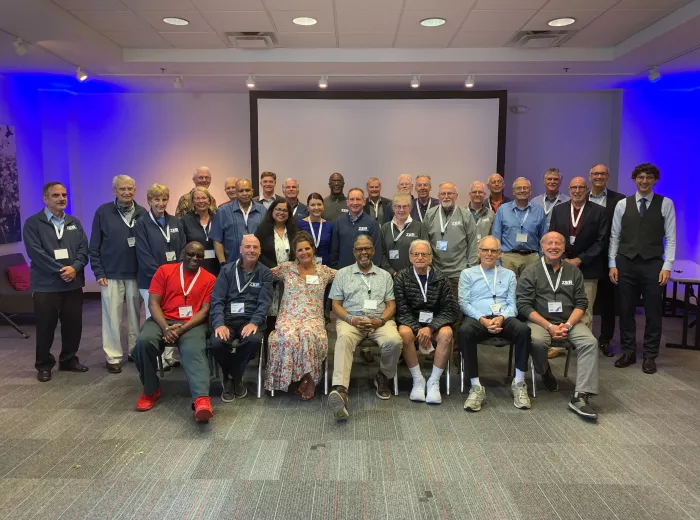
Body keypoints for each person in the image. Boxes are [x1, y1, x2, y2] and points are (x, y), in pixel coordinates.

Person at [517, 232, 600, 420]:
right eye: (549, 243)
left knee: (589, 342)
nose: (553, 246)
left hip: (569, 321)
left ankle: (581, 396)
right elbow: (523, 305)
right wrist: (549, 326)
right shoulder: (531, 271)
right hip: (540, 321)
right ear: (542, 247)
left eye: (558, 243)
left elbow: (581, 303)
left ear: (564, 248)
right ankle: (544, 369)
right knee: (536, 341)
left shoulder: (573, 272)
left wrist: (569, 325)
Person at [132, 242, 217, 423]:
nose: (194, 258)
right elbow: (153, 303)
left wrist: (182, 329)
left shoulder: (210, 278)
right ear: (182, 254)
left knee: (194, 350)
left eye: (199, 256)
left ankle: (201, 400)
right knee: (143, 343)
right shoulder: (164, 271)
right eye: (190, 254)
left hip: (192, 323)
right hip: (163, 320)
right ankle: (151, 389)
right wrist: (165, 328)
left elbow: (204, 310)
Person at [609, 163, 676, 375]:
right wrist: (612, 263)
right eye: (640, 177)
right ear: (634, 179)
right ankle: (628, 352)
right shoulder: (622, 204)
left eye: (648, 177)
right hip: (625, 262)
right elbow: (615, 236)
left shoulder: (665, 204)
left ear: (655, 180)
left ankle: (649, 355)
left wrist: (668, 265)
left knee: (653, 311)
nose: (644, 181)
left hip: (653, 264)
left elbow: (671, 238)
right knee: (626, 310)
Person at [327, 236, 402, 420]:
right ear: (354, 252)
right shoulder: (342, 274)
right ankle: (341, 390)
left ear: (373, 251)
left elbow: (391, 305)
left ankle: (383, 376)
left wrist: (381, 321)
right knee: (343, 339)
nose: (364, 252)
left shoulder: (384, 276)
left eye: (367, 248)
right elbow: (335, 305)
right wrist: (350, 319)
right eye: (360, 249)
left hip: (379, 320)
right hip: (351, 320)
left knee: (394, 341)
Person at [23, 182, 90, 382]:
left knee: (73, 325)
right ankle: (44, 365)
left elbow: (83, 250)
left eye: (64, 195)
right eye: (55, 195)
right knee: (46, 326)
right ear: (45, 199)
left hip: (73, 283)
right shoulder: (33, 223)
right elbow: (36, 253)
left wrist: (75, 268)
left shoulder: (74, 223)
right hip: (46, 285)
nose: (61, 198)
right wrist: (61, 270)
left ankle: (69, 360)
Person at [459, 236, 532, 412]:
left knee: (523, 330)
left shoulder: (509, 275)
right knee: (464, 331)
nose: (489, 254)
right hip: (479, 318)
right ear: (479, 252)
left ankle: (519, 383)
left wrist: (501, 318)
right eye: (485, 250)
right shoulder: (467, 274)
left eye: (493, 251)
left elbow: (512, 304)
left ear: (500, 253)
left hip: (503, 318)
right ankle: (476, 386)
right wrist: (482, 319)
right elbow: (464, 303)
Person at [266, 232, 336, 399]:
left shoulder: (324, 271)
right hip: (288, 317)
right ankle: (299, 377)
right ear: (295, 253)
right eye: (300, 250)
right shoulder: (286, 268)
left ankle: (310, 379)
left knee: (307, 335)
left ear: (313, 249)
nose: (304, 252)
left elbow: (348, 276)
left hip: (313, 318)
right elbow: (263, 274)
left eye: (307, 248)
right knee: (288, 337)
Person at [89, 175, 147, 373]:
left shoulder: (142, 212)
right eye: (122, 189)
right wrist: (98, 271)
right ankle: (113, 356)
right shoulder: (103, 212)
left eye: (130, 188)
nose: (126, 192)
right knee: (112, 317)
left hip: (136, 274)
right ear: (114, 191)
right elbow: (94, 245)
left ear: (135, 190)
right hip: (110, 274)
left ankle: (134, 350)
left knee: (135, 317)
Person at [394, 240, 459, 404]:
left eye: (424, 254)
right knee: (403, 333)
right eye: (416, 254)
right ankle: (418, 380)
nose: (420, 257)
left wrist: (430, 328)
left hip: (435, 323)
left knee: (447, 333)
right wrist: (418, 329)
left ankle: (434, 381)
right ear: (410, 257)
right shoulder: (401, 277)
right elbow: (401, 309)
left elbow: (450, 309)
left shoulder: (441, 278)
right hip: (412, 323)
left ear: (430, 257)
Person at [210, 235, 273, 402]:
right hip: (228, 320)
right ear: (240, 249)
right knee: (216, 342)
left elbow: (264, 302)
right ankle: (234, 376)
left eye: (255, 247)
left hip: (251, 319)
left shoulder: (265, 273)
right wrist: (219, 324)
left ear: (260, 251)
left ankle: (232, 376)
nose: (251, 250)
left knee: (253, 340)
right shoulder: (227, 271)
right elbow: (217, 300)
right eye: (248, 247)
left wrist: (254, 322)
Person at [134, 183, 185, 368]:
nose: (161, 203)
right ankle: (158, 358)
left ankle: (169, 356)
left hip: (175, 279)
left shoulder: (175, 222)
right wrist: (164, 277)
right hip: (151, 280)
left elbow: (182, 250)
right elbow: (144, 255)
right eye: (156, 199)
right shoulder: (141, 224)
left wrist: (176, 274)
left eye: (164, 199)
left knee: (172, 315)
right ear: (149, 201)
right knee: (155, 317)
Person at [549, 177, 607, 331]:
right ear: (569, 190)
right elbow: (552, 237)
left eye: (581, 187)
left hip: (588, 267)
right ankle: (560, 344)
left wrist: (580, 259)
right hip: (562, 266)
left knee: (585, 309)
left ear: (587, 189)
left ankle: (583, 346)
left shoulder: (599, 211)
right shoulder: (558, 210)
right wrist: (563, 259)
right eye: (573, 187)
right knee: (561, 306)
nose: (577, 191)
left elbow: (601, 241)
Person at [588, 163, 625, 357]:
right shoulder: (582, 197)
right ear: (590, 176)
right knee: (584, 300)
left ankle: (605, 339)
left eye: (603, 174)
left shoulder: (619, 200)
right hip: (587, 258)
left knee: (608, 301)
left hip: (609, 257)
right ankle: (583, 338)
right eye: (595, 173)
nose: (599, 177)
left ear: (608, 177)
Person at [423, 181, 478, 297]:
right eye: (443, 194)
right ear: (438, 196)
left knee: (456, 309)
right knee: (437, 307)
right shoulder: (430, 214)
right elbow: (425, 243)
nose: (446, 197)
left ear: (456, 196)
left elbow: (473, 243)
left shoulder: (465, 215)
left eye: (450, 193)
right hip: (435, 273)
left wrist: (470, 270)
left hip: (458, 273)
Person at [254, 199, 300, 329]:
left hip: (290, 279)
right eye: (278, 209)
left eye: (285, 210)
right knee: (271, 311)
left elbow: (298, 251)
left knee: (288, 312)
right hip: (269, 276)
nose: (281, 212)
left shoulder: (294, 230)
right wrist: (275, 270)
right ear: (272, 211)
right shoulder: (263, 229)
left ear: (289, 213)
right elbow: (258, 252)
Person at [493, 177, 547, 277]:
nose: (522, 190)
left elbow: (544, 238)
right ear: (513, 192)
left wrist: (543, 259)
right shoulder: (503, 210)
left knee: (531, 290)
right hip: (508, 258)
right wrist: (496, 260)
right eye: (518, 188)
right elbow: (496, 237)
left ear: (530, 191)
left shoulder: (539, 211)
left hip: (532, 258)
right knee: (508, 290)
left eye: (525, 188)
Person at [211, 178, 265, 266]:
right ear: (236, 192)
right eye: (241, 191)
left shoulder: (262, 210)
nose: (245, 193)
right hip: (231, 264)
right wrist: (223, 263)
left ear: (252, 191)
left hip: (258, 265)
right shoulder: (223, 211)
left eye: (247, 190)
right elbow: (217, 239)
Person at [329, 187, 381, 269]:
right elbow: (334, 250)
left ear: (364, 202)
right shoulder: (339, 222)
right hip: (343, 271)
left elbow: (376, 251)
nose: (355, 202)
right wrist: (336, 269)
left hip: (365, 272)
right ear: (347, 202)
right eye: (352, 199)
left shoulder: (372, 223)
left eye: (358, 199)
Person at [379, 193, 428, 276]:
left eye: (405, 206)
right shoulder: (385, 228)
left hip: (414, 276)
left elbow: (425, 252)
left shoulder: (419, 227)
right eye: (398, 206)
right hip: (390, 276)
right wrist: (392, 272)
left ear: (410, 208)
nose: (401, 210)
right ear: (393, 208)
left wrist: (413, 272)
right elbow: (381, 253)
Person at [181, 186, 220, 276]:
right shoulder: (185, 221)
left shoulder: (218, 218)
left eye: (204, 198)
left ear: (209, 200)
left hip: (216, 267)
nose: (201, 201)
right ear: (192, 201)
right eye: (197, 198)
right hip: (194, 267)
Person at [298, 193, 334, 265]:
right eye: (313, 205)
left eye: (319, 204)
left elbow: (332, 249)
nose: (316, 208)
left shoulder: (329, 225)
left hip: (325, 267)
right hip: (305, 265)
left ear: (323, 206)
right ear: (308, 207)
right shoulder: (299, 224)